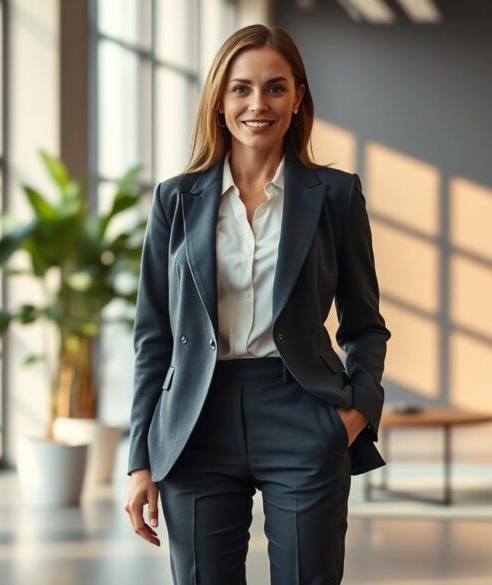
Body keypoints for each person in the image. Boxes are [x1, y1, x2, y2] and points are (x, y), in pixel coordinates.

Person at [123, 23, 390, 585]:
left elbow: (365, 325)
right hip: (196, 420)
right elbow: (154, 336)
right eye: (241, 88)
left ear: (297, 99)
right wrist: (140, 459)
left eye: (275, 88)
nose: (257, 104)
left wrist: (355, 413)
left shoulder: (335, 195)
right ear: (219, 102)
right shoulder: (175, 199)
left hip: (303, 411)